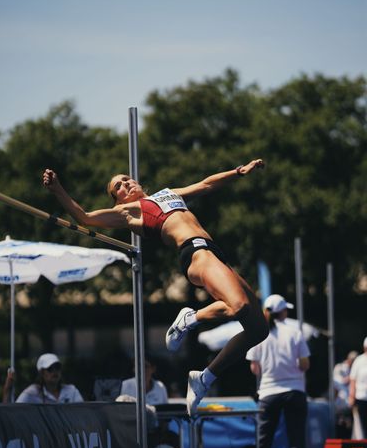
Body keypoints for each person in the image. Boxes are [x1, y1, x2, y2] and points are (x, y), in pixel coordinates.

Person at [43, 159, 268, 416]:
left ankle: (204, 378)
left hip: (214, 253)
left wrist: (239, 172)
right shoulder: (129, 210)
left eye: (127, 178)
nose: (126, 183)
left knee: (258, 329)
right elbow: (85, 217)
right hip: (195, 253)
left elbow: (206, 184)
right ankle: (189, 318)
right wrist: (58, 188)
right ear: (117, 199)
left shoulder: (167, 193)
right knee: (238, 306)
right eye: (119, 185)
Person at [246, 294, 310, 448]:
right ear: (282, 312)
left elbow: (255, 369)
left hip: (268, 392)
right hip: (295, 390)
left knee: (264, 440)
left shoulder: (259, 333)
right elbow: (305, 365)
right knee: (296, 439)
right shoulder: (295, 333)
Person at [13, 353, 84, 404]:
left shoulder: (72, 391)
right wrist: (7, 389)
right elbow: (14, 412)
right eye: (50, 369)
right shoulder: (31, 392)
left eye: (57, 367)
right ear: (42, 373)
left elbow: (82, 414)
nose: (55, 371)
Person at [333, 350, 358, 438]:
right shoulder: (340, 367)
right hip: (340, 402)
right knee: (340, 425)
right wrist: (352, 378)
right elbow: (338, 383)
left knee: (350, 426)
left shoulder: (353, 369)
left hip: (350, 403)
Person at [349, 337, 367, 439]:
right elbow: (353, 379)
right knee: (361, 425)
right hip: (361, 397)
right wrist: (352, 396)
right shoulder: (359, 360)